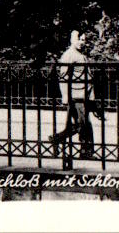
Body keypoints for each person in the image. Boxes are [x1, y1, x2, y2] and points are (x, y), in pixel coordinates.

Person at [49, 30, 95, 159]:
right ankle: (86, 152)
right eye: (78, 39)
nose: (81, 42)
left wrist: (91, 97)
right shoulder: (69, 55)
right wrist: (65, 96)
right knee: (83, 124)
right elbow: (63, 77)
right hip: (75, 96)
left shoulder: (81, 55)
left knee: (81, 124)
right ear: (71, 40)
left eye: (83, 40)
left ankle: (57, 139)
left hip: (83, 95)